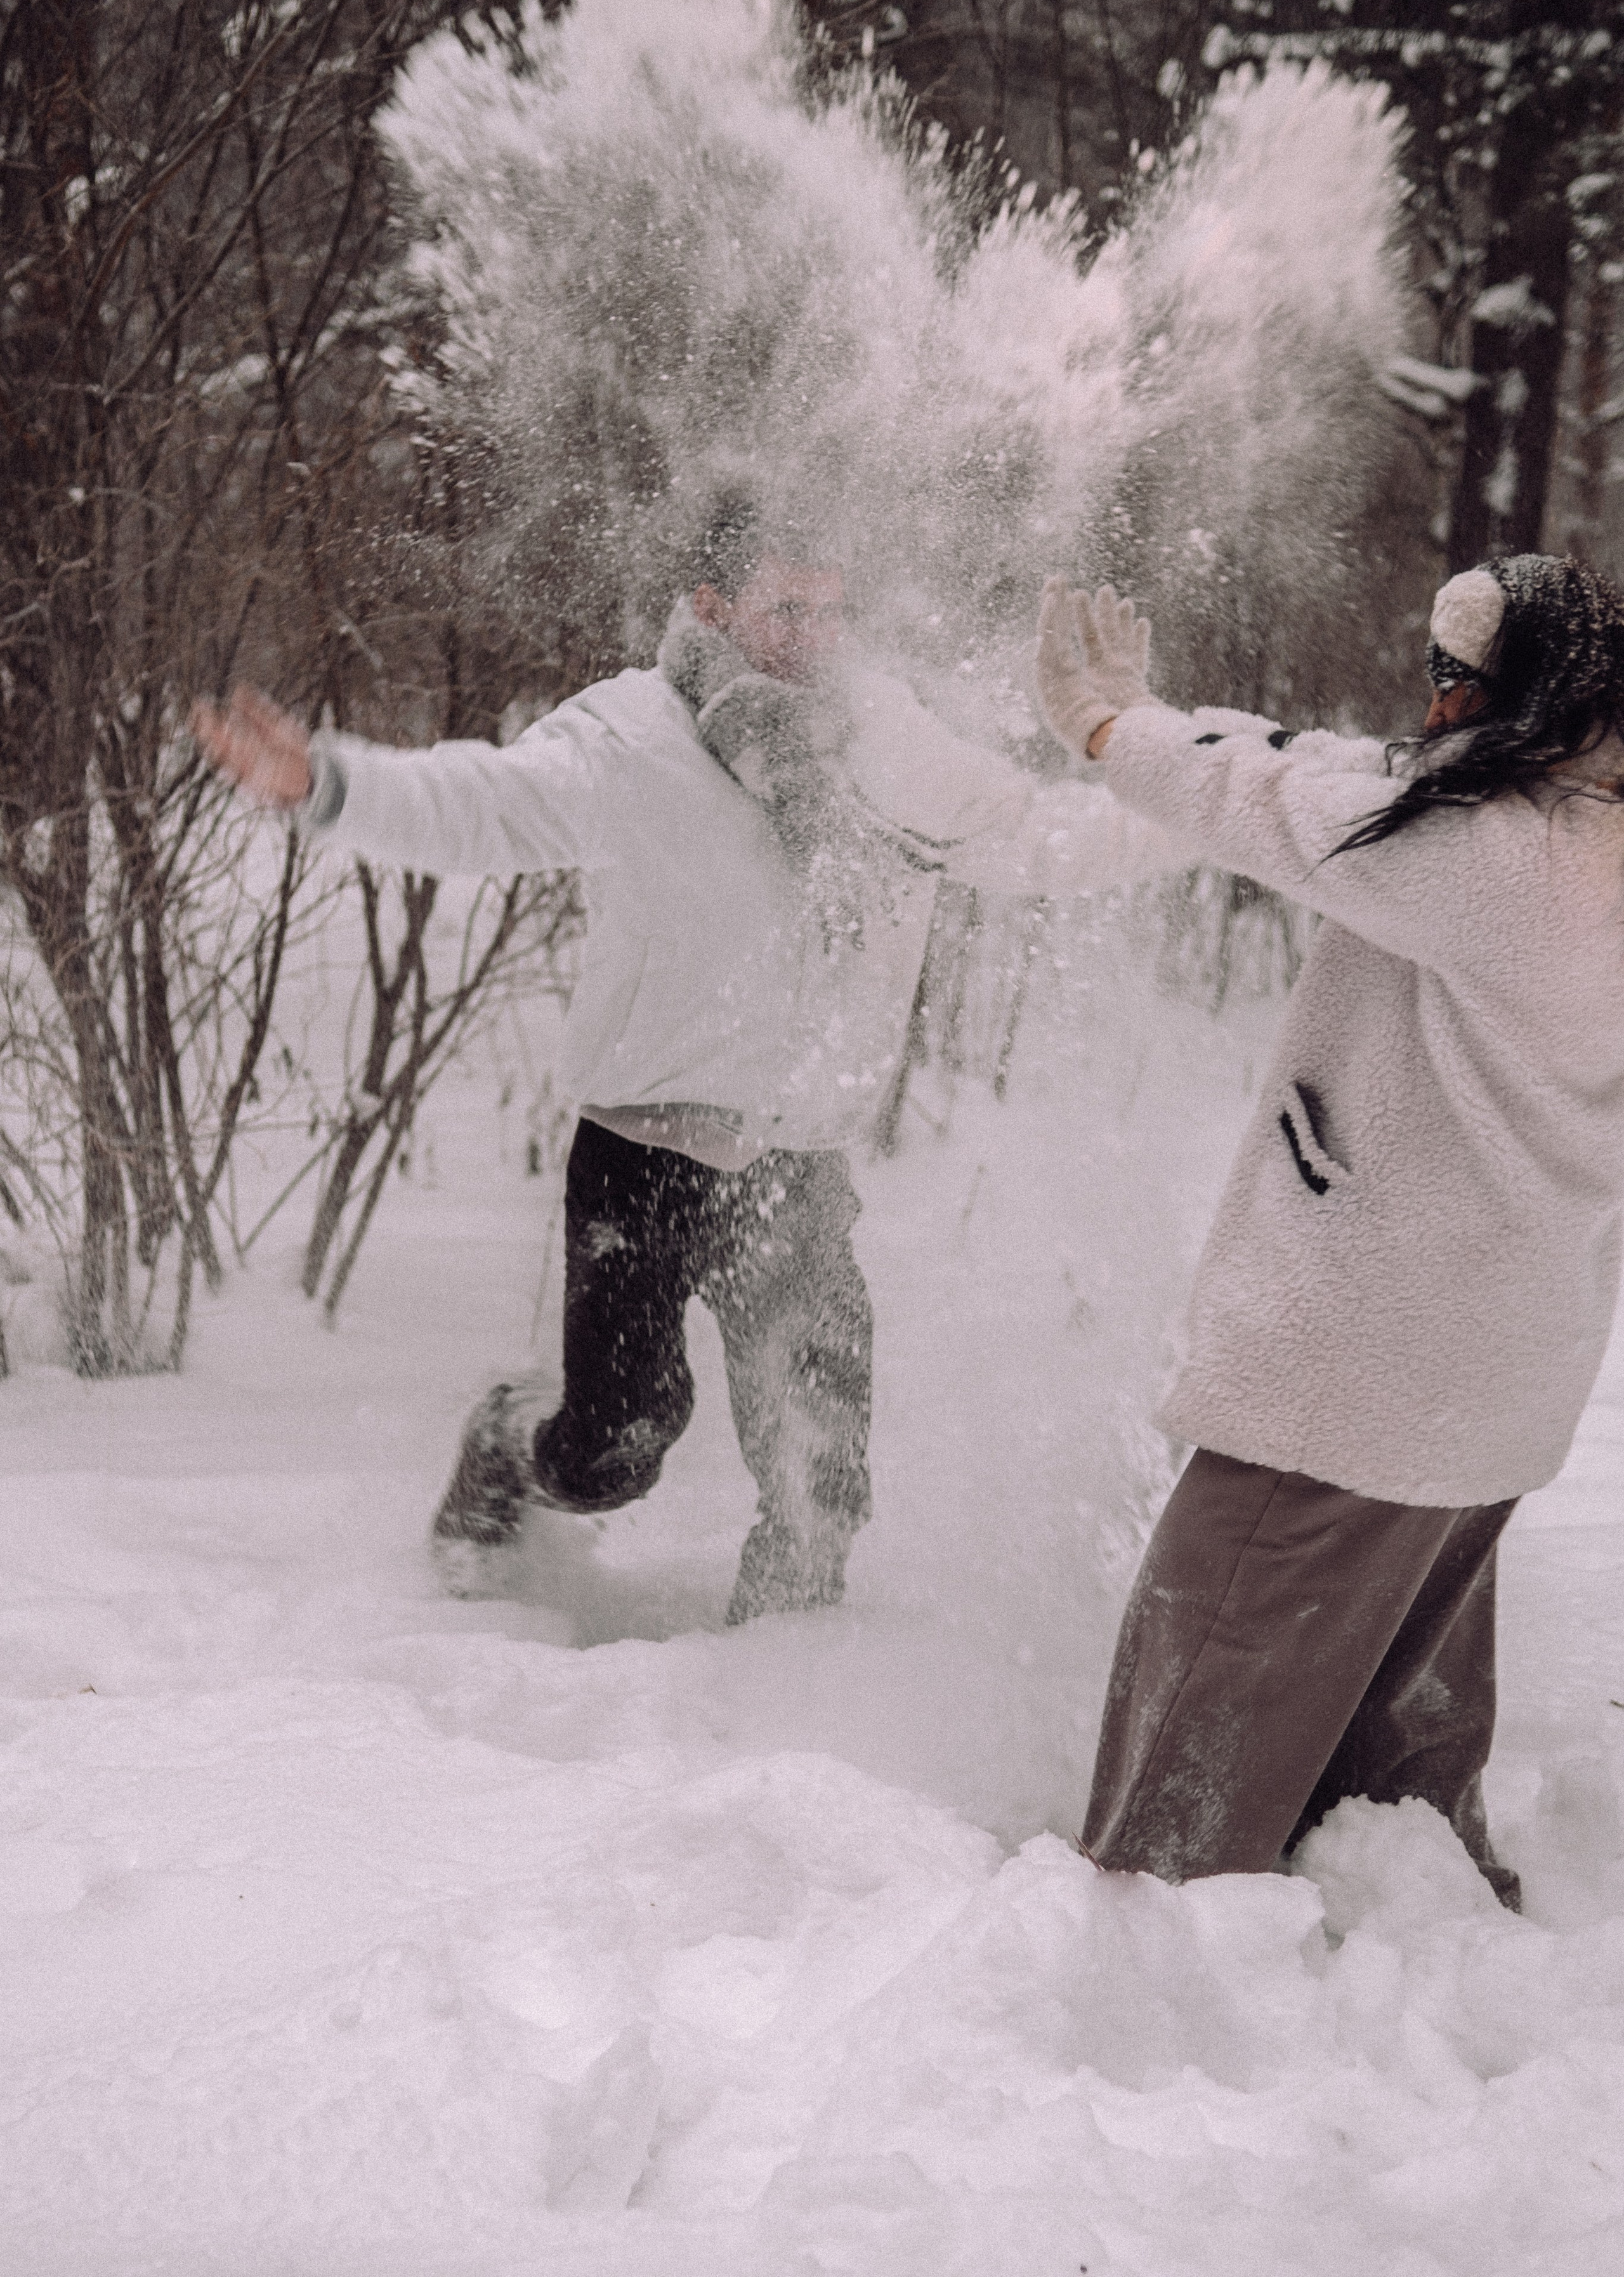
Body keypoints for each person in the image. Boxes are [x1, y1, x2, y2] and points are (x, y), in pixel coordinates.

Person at [192, 495, 1175, 1625]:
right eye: (785, 610)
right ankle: (508, 1441)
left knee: (822, 1482)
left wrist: (1216, 807)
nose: (813, 638)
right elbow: (491, 807)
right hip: (645, 1154)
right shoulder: (635, 737)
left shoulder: (883, 742)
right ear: (712, 608)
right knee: (614, 1451)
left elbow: (1025, 836)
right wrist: (332, 786)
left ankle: (775, 1697)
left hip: (798, 1165)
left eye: (831, 614)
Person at [1034, 551, 1624, 1910]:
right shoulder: (1573, 825)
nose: (1426, 713)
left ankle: (1144, 1958)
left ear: (1523, 694)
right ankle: (1406, 1924)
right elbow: (1341, 767)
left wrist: (1110, 723)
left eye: (1450, 681)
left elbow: (1282, 808)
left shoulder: (1501, 863)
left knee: (1201, 1718)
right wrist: (1183, 713)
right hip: (1487, 1378)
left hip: (1357, 1376)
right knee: (1389, 1726)